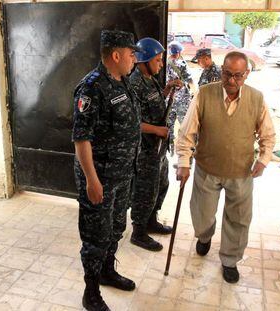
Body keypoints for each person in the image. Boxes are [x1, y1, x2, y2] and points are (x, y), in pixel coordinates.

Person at [176, 51, 276, 283]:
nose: (231, 81)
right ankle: (204, 236)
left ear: (247, 74)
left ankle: (230, 260)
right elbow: (187, 132)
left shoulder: (257, 98)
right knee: (201, 214)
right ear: (221, 70)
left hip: (241, 172)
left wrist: (263, 159)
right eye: (227, 74)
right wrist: (183, 161)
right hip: (207, 168)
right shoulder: (204, 93)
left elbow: (268, 135)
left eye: (238, 76)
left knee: (238, 219)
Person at [72, 30, 142, 311]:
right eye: (131, 53)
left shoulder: (122, 82)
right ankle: (91, 293)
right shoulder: (91, 87)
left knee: (115, 228)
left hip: (122, 174)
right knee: (95, 237)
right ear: (116, 55)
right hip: (100, 177)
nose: (134, 58)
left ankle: (107, 272)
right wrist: (92, 180)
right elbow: (81, 138)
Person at [129, 38, 182, 251]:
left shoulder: (149, 79)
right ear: (144, 60)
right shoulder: (134, 84)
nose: (161, 64)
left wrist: (168, 89)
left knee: (161, 185)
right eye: (158, 60)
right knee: (145, 190)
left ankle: (151, 220)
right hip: (145, 149)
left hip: (158, 149)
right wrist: (157, 130)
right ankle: (138, 231)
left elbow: (156, 102)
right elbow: (132, 121)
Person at [166, 41, 194, 156]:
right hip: (182, 100)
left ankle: (170, 150)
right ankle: (186, 153)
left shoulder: (164, 63)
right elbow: (190, 80)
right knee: (185, 126)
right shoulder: (182, 64)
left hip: (169, 100)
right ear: (178, 52)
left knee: (169, 125)